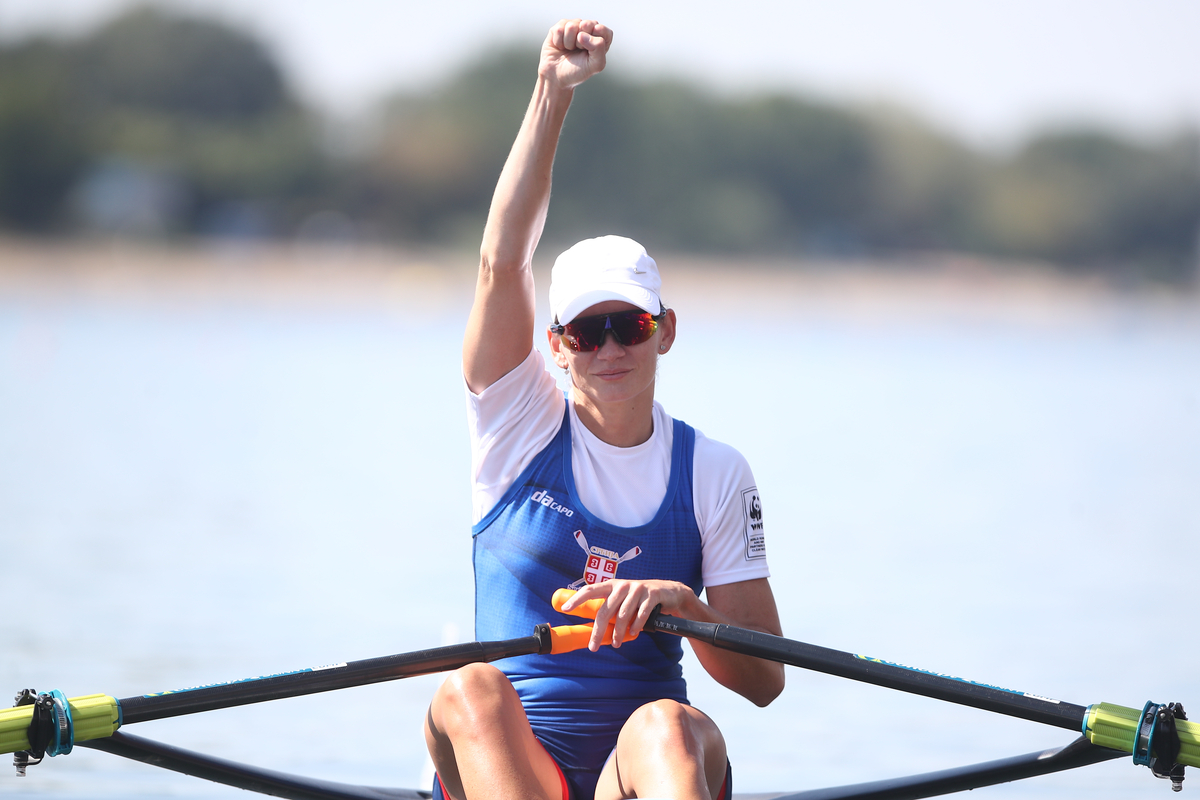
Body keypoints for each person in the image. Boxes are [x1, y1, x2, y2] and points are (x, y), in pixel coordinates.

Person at [423, 18, 784, 800]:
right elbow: (500, 261)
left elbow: (764, 682)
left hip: (645, 774)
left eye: (630, 325)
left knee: (664, 724)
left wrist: (684, 606)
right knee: (468, 689)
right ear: (556, 345)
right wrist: (552, 92)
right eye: (587, 332)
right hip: (518, 770)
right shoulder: (516, 427)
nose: (610, 347)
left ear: (666, 332)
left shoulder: (715, 474)